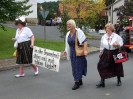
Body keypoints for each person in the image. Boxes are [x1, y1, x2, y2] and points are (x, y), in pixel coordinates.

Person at [96, 23, 124, 88]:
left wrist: (117, 45)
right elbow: (102, 45)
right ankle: (102, 81)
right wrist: (101, 52)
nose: (107, 29)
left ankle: (119, 80)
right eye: (106, 28)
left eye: (108, 28)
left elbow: (121, 42)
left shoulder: (116, 36)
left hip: (115, 52)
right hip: (106, 52)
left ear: (111, 29)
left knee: (117, 66)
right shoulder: (104, 36)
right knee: (101, 65)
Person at [63, 19, 88, 90]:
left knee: (78, 66)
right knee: (74, 66)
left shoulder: (79, 32)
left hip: (79, 52)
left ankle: (77, 82)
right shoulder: (68, 34)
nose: (68, 26)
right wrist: (66, 51)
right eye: (67, 24)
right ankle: (79, 80)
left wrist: (85, 50)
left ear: (73, 25)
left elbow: (85, 41)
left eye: (69, 24)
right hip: (72, 52)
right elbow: (67, 44)